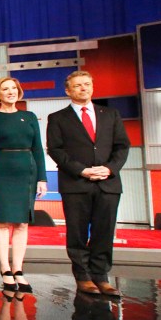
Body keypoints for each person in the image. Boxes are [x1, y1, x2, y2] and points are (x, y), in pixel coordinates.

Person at [46, 70, 130, 298]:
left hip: (108, 182)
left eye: (86, 84)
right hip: (76, 183)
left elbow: (122, 146)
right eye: (78, 85)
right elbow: (55, 150)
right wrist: (81, 170)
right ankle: (83, 277)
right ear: (68, 91)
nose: (83, 88)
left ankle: (102, 277)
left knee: (104, 231)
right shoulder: (57, 118)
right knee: (77, 233)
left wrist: (110, 168)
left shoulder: (110, 114)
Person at [0, 76, 47, 297]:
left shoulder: (28, 117)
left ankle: (18, 269)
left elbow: (38, 149)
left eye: (14, 88)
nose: (10, 92)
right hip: (0, 170)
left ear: (19, 92)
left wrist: (42, 178)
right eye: (5, 89)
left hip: (27, 171)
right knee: (1, 222)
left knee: (21, 224)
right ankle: (5, 268)